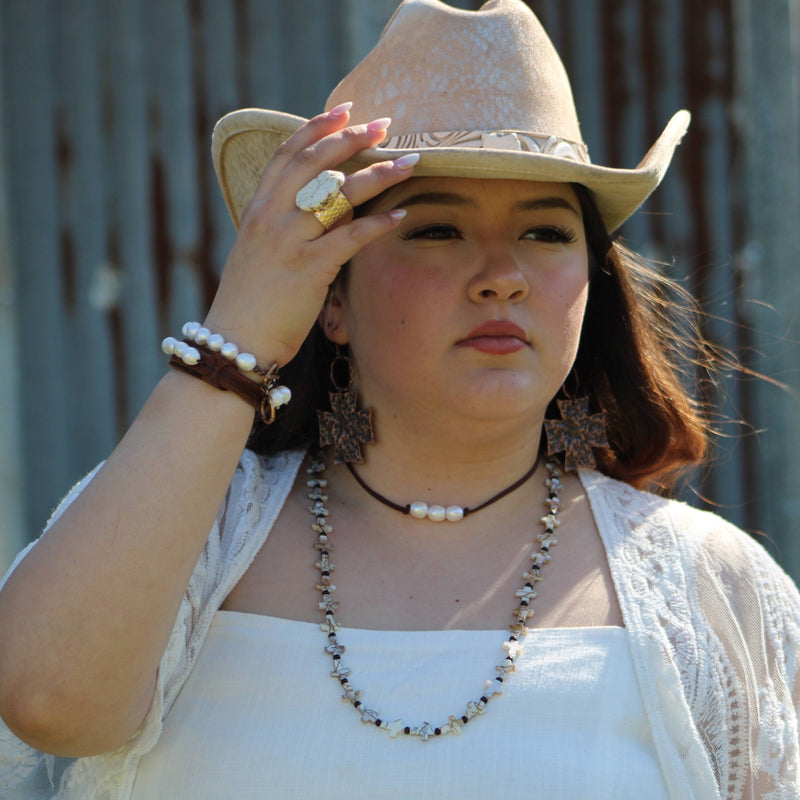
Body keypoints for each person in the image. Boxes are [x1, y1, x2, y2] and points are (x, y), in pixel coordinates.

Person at [0, 0, 798, 797]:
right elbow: (48, 703)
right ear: (331, 299)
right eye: (435, 229)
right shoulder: (197, 538)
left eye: (547, 233)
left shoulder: (709, 592)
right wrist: (238, 336)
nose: (502, 274)